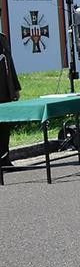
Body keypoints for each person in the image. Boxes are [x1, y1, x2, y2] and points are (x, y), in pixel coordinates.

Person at [0, 29, 20, 168]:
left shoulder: (2, 38)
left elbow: (10, 64)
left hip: (4, 90)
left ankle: (5, 160)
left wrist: (16, 87)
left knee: (5, 127)